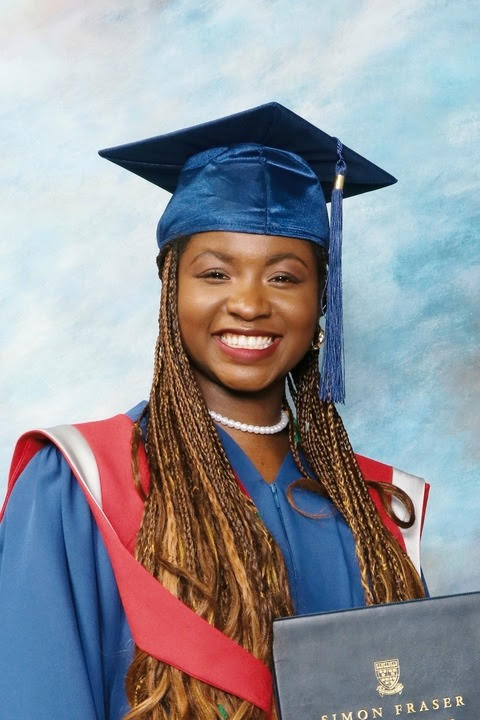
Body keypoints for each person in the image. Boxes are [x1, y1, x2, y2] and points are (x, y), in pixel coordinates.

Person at [0, 103, 428, 720]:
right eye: (216, 273)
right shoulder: (79, 484)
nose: (249, 304)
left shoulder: (376, 507)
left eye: (285, 278)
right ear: (172, 288)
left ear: (320, 303)